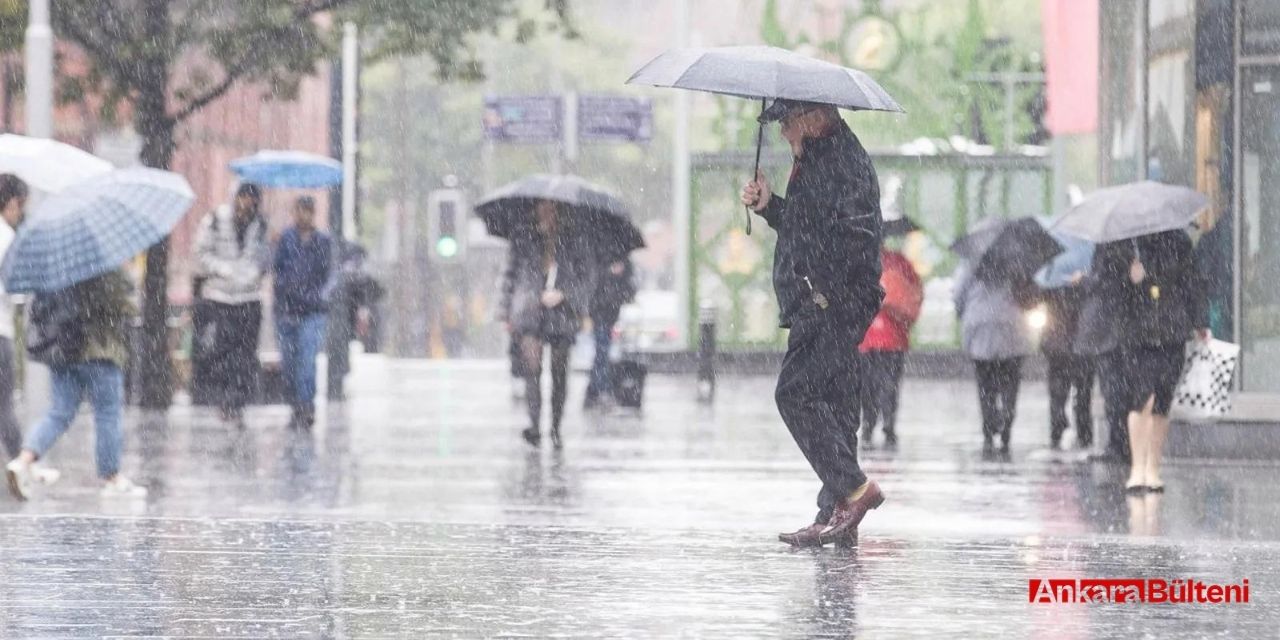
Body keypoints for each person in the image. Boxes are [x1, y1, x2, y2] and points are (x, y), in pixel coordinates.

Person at [740, 99, 886, 548]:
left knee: (796, 393)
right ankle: (834, 514)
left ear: (813, 116)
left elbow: (852, 238)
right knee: (836, 404)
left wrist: (822, 288)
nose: (784, 132)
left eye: (787, 121)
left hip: (829, 303)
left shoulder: (841, 161)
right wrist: (770, 207)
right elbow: (807, 226)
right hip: (825, 300)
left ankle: (855, 490)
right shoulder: (820, 157)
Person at [6, 270, 142, 500]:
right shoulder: (106, 266)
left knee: (59, 413)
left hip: (64, 351)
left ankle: (23, 460)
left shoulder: (60, 266)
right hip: (101, 350)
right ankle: (111, 477)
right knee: (107, 412)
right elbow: (126, 306)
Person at [499, 200, 595, 448]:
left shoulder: (574, 239)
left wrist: (564, 293)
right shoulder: (523, 237)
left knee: (559, 372)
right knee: (532, 371)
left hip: (561, 314)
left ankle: (554, 426)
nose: (547, 214)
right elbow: (510, 275)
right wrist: (506, 310)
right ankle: (534, 425)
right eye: (542, 209)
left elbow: (586, 277)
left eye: (552, 210)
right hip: (530, 312)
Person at [1119, 230, 1209, 493]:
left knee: (1162, 401)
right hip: (1137, 334)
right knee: (1141, 398)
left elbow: (1193, 282)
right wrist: (1130, 279)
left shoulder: (1179, 242)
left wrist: (1200, 321)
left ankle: (1152, 468)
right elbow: (1108, 290)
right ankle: (1137, 468)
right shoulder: (1126, 244)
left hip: (1172, 331)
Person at [194, 182, 270, 426]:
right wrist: (223, 270)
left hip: (249, 297)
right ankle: (225, 400)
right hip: (221, 297)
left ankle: (237, 401)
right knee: (224, 351)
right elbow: (201, 252)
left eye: (251, 198)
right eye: (243, 197)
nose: (246, 203)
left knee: (246, 355)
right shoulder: (216, 219)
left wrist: (253, 272)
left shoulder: (261, 225)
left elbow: (265, 257)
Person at [954, 264, 1036, 457]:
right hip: (1012, 327)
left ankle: (989, 428)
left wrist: (965, 313)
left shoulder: (971, 265)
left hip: (980, 327)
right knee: (1011, 381)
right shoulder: (1019, 265)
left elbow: (958, 296)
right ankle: (1007, 420)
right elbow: (1030, 296)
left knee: (985, 385)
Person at [273, 196, 331, 430]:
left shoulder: (322, 241)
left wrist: (315, 296)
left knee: (307, 362)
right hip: (287, 310)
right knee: (289, 363)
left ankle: (306, 406)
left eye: (307, 211)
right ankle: (295, 405)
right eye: (299, 211)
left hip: (312, 311)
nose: (303, 216)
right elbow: (277, 270)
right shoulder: (285, 239)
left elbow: (328, 274)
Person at [857, 245, 923, 450]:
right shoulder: (900, 263)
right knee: (890, 383)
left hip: (866, 335)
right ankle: (889, 424)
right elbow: (916, 295)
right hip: (894, 337)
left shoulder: (859, 260)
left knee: (868, 384)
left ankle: (868, 423)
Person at [1074, 241, 1134, 461]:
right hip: (1120, 328)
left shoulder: (1111, 247)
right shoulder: (1127, 246)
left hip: (1110, 330)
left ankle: (1119, 444)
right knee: (1117, 388)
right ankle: (1121, 442)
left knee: (1113, 389)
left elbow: (1107, 283)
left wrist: (1084, 280)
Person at [1040, 277, 1095, 450]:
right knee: (1082, 391)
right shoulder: (1087, 275)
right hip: (1080, 341)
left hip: (1059, 341)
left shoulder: (1054, 275)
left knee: (1060, 390)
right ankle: (1083, 432)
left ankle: (1059, 427)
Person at [583, 255, 635, 410]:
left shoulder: (622, 257)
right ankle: (602, 391)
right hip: (599, 311)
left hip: (611, 311)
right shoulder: (594, 256)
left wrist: (621, 271)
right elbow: (590, 281)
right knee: (602, 351)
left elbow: (628, 283)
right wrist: (609, 272)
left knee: (602, 351)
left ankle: (592, 392)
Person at [0, 175, 28, 461]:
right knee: (4, 403)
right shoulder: (8, 239)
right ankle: (20, 464)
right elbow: (14, 290)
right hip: (1, 331)